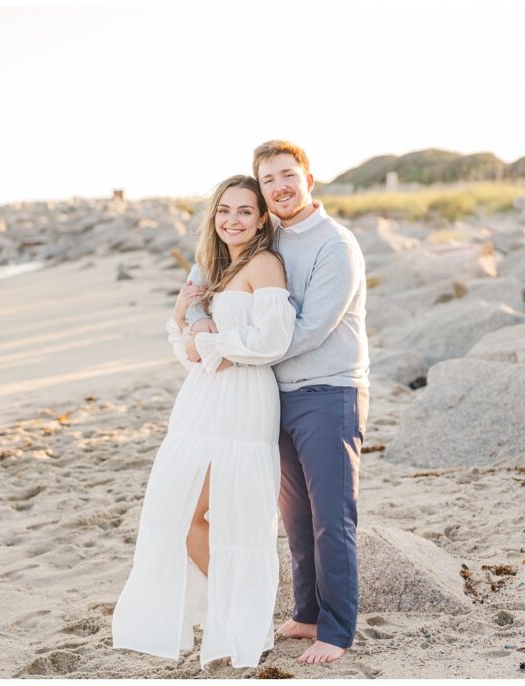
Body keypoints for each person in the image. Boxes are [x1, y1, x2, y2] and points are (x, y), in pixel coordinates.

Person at [185, 141, 369, 665]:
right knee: (296, 514)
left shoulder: (336, 243)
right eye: (269, 180)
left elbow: (311, 328)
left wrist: (227, 348)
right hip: (276, 395)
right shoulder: (269, 237)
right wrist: (196, 314)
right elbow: (208, 274)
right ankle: (308, 612)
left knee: (332, 516)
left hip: (330, 390)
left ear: (309, 178)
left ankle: (335, 631)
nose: (280, 186)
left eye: (288, 175)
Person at [112, 174, 296, 669]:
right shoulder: (212, 267)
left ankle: (238, 619)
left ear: (261, 220)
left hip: (241, 402)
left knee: (224, 515)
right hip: (201, 400)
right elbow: (179, 325)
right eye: (224, 211)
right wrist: (196, 329)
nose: (232, 220)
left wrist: (210, 343)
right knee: (182, 513)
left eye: (244, 211)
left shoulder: (264, 264)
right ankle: (229, 614)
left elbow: (272, 340)